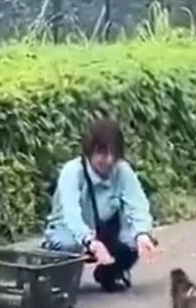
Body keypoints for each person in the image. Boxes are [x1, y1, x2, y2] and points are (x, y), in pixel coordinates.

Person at [41, 111, 159, 292]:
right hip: (70, 232)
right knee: (67, 245)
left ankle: (110, 273)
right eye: (102, 153)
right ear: (90, 151)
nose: (109, 160)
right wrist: (89, 241)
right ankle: (60, 281)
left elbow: (137, 204)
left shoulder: (122, 170)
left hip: (105, 230)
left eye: (114, 154)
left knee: (134, 240)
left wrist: (142, 234)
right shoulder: (72, 172)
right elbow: (71, 213)